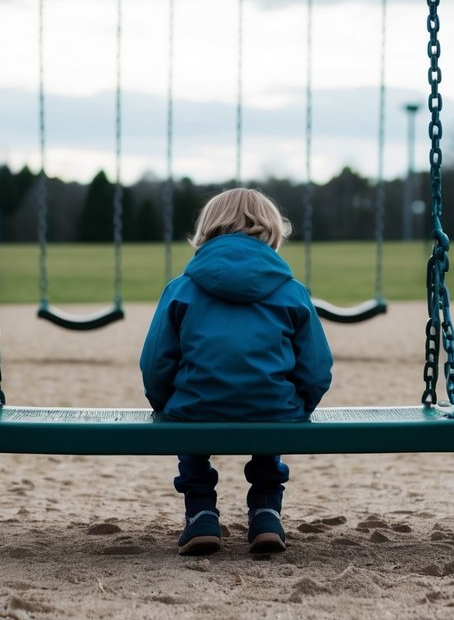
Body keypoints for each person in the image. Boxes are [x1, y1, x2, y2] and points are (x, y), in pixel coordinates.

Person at [140, 188, 333, 556]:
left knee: (189, 424)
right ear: (272, 231)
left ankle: (200, 514)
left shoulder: (181, 289)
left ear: (206, 230)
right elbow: (316, 367)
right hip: (274, 409)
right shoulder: (292, 291)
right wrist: (299, 403)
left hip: (195, 408)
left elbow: (155, 364)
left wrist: (165, 404)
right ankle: (265, 513)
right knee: (269, 407)